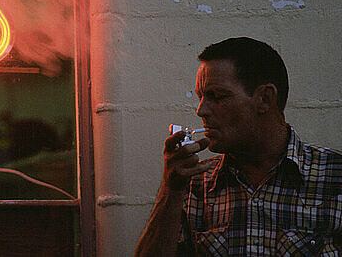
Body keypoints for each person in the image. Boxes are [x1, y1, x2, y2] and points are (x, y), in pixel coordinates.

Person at [135, 37, 342, 256]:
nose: (201, 110)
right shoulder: (195, 186)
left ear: (264, 98)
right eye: (201, 97)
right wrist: (171, 190)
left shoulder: (335, 177)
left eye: (217, 96)